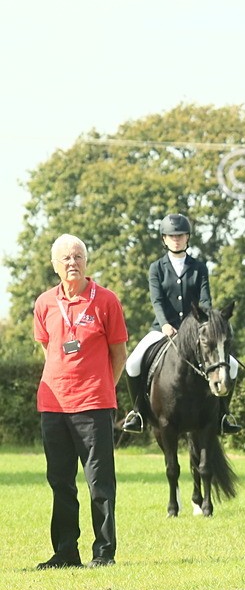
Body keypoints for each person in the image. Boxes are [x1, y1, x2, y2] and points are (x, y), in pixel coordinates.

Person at [32, 234, 128, 568]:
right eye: (66, 258)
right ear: (55, 265)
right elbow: (48, 348)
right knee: (60, 481)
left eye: (78, 257)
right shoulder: (45, 303)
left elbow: (119, 353)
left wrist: (102, 388)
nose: (72, 263)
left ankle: (104, 552)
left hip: (94, 406)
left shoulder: (106, 301)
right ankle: (65, 552)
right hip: (53, 406)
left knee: (100, 482)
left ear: (86, 261)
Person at [121, 214, 241, 434]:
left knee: (231, 365)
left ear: (188, 238)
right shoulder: (156, 268)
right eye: (171, 236)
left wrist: (201, 322)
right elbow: (156, 300)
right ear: (164, 239)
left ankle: (223, 414)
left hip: (194, 330)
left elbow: (205, 300)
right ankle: (137, 413)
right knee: (132, 363)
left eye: (181, 235)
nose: (176, 239)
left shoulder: (199, 267)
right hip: (162, 329)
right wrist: (165, 324)